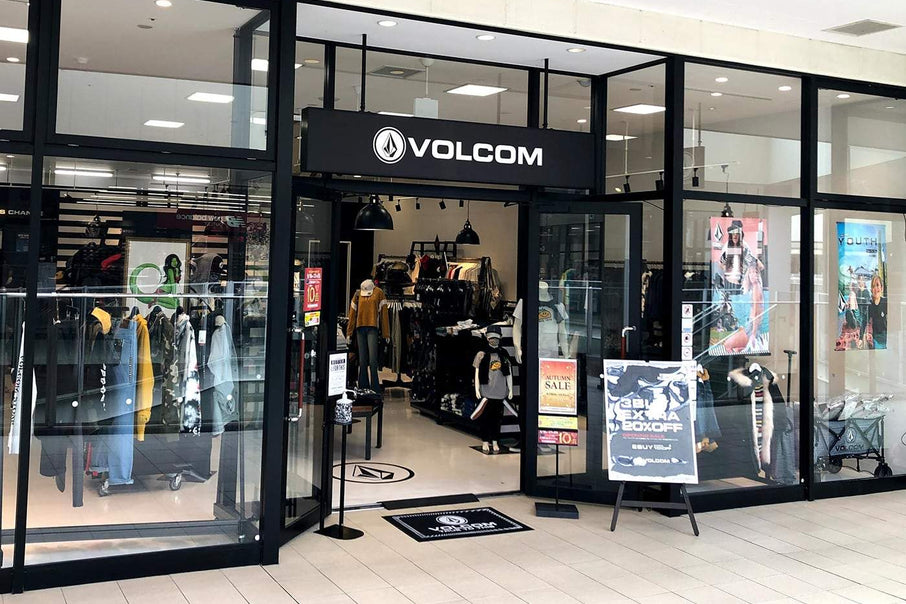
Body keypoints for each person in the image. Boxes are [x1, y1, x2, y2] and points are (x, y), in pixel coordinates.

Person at [470, 326, 513, 454]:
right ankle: (485, 440)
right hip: (486, 391)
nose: (494, 340)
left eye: (496, 337)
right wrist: (477, 389)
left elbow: (509, 372)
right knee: (485, 417)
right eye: (491, 337)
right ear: (487, 337)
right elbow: (477, 372)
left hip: (500, 391)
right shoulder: (481, 354)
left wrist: (510, 389)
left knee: (497, 418)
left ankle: (495, 440)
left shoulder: (503, 353)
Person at [861, 274, 887, 349]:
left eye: (877, 285)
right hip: (876, 339)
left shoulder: (886, 302)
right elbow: (864, 321)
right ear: (871, 290)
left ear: (882, 288)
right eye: (873, 286)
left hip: (887, 337)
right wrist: (860, 338)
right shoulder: (870, 305)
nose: (876, 288)